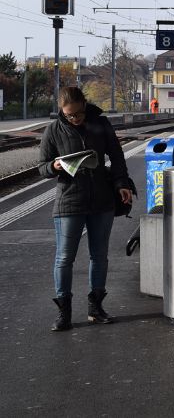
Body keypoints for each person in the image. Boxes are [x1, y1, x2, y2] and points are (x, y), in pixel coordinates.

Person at [38, 86, 135, 332]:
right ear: (62, 111)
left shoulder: (100, 123)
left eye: (78, 114)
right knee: (64, 258)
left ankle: (96, 308)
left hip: (102, 199)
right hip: (69, 200)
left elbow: (116, 155)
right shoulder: (53, 129)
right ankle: (64, 313)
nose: (75, 119)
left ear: (84, 105)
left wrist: (122, 183)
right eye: (69, 115)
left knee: (99, 256)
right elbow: (42, 166)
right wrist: (55, 165)